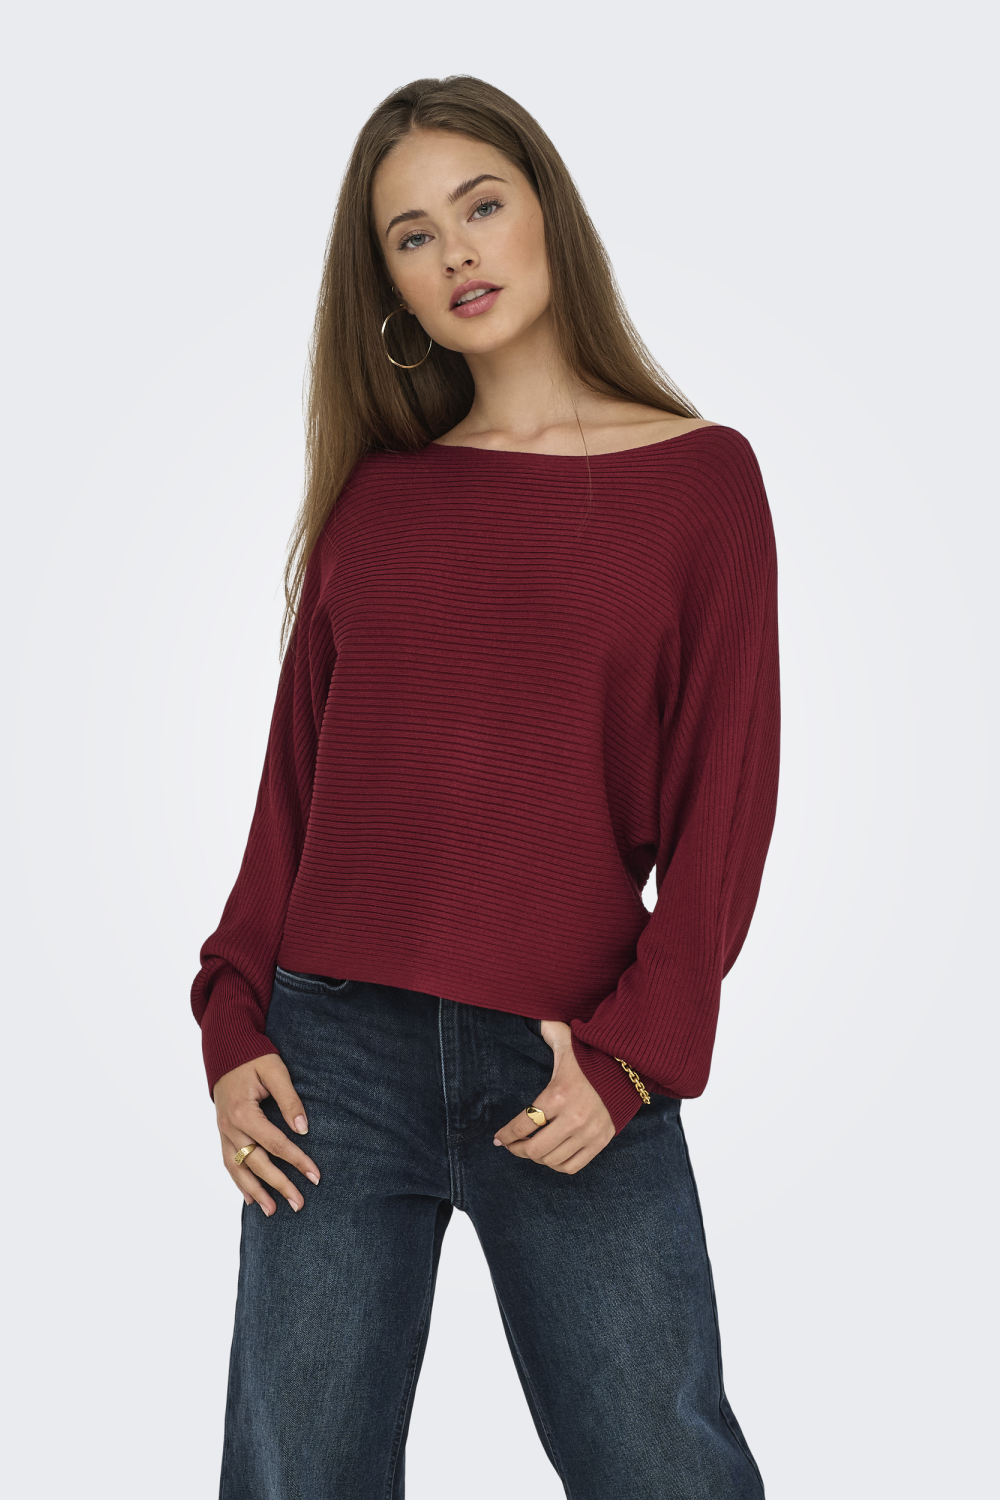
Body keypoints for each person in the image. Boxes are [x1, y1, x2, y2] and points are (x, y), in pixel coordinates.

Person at [192, 74, 779, 1500]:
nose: (455, 251)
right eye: (412, 235)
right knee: (297, 1479)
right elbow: (294, 796)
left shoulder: (702, 483)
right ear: (387, 284)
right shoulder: (378, 502)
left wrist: (635, 1057)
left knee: (668, 1470)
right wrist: (230, 1014)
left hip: (573, 1054)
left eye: (480, 206)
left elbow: (725, 811)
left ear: (546, 214)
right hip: (329, 1065)